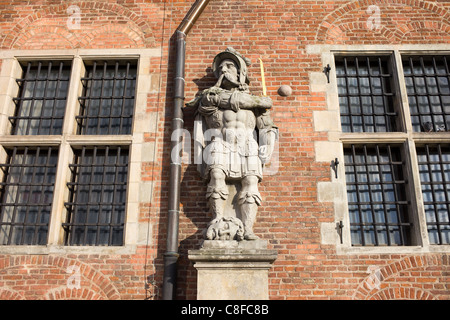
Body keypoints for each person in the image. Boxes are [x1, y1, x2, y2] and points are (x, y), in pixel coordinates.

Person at [186, 47, 277, 241]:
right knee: (217, 175)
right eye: (220, 67)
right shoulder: (209, 96)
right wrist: (256, 101)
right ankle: (218, 218)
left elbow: (266, 126)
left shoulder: (256, 104)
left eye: (229, 65)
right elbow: (211, 101)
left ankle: (248, 228)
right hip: (220, 143)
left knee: (251, 182)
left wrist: (267, 139)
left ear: (240, 71)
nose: (224, 70)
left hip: (247, 146)